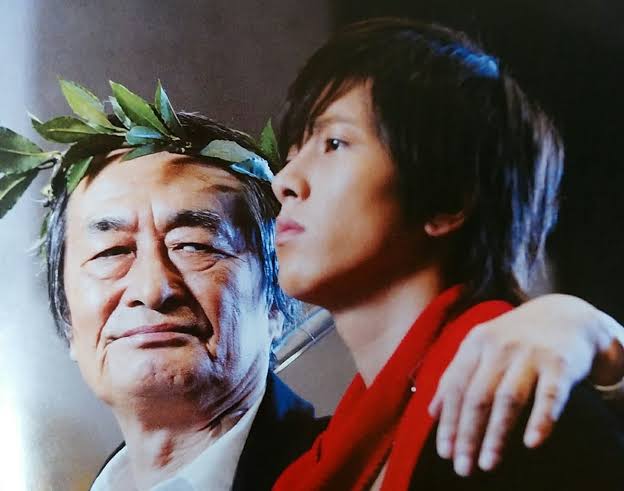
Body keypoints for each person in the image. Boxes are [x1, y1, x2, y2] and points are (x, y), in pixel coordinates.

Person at [0, 79, 622, 490]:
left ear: (280, 303)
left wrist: (598, 353)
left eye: (195, 245)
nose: (152, 287)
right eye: (111, 251)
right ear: (69, 322)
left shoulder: (400, 460)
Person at [271, 18, 624, 489]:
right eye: (293, 154)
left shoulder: (510, 402)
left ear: (448, 199)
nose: (285, 181)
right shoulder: (329, 452)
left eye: (334, 143)